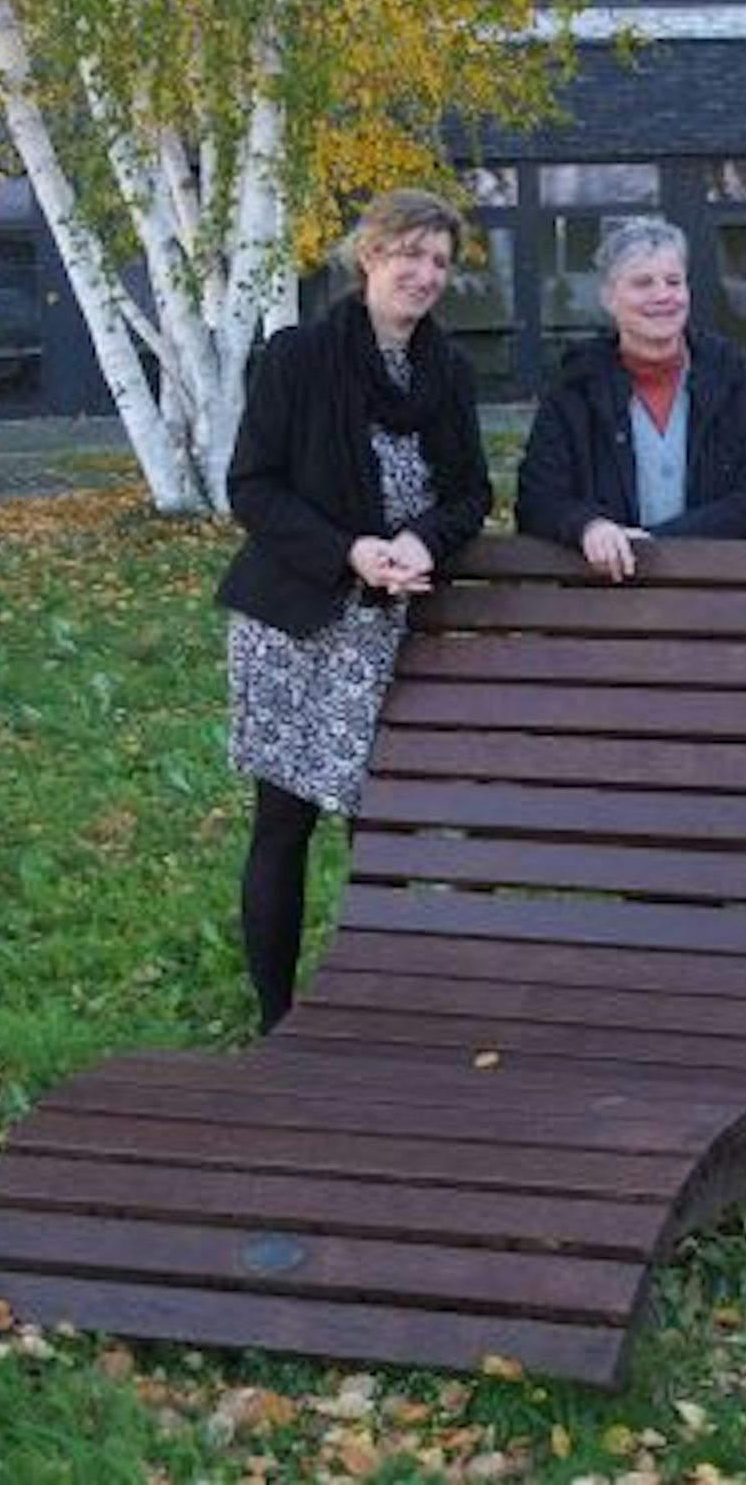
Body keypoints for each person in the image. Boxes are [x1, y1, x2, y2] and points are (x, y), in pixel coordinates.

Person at [217, 188, 492, 1034]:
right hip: (299, 621)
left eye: (440, 261)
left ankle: (381, 997)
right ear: (369, 255)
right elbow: (252, 486)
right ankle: (278, 1016)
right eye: (409, 253)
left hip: (397, 626)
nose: (424, 274)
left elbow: (471, 492)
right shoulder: (298, 357)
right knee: (285, 823)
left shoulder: (445, 372)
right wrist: (349, 551)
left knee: (388, 821)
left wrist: (420, 542)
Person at [515, 217, 746, 578]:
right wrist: (588, 526)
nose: (663, 295)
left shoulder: (735, 382)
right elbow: (539, 500)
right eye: (643, 283)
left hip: (720, 594)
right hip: (605, 601)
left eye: (673, 281)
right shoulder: (574, 391)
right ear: (609, 297)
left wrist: (652, 543)